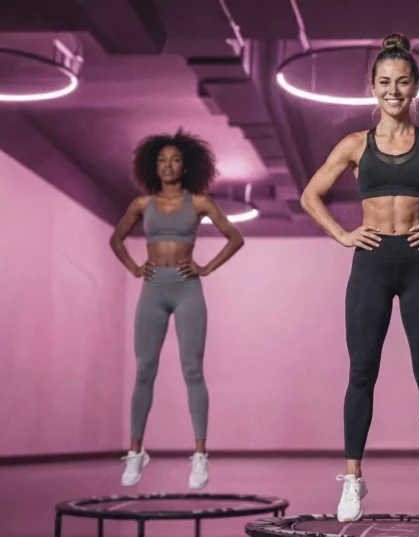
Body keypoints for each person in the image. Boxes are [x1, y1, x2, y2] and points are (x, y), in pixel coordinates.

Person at [300, 33, 419, 523]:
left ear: (415, 89)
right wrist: (343, 235)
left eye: (402, 82)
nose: (393, 90)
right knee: (362, 371)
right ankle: (353, 481)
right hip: (371, 264)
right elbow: (309, 196)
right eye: (384, 81)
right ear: (372, 88)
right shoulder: (352, 145)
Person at [109, 128, 245, 489]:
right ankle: (136, 451)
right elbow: (117, 238)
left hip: (187, 289)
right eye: (162, 160)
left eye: (175, 159)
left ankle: (200, 456)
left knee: (192, 371)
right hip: (153, 289)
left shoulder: (199, 202)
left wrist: (206, 266)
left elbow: (235, 237)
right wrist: (135, 268)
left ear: (185, 167)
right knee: (144, 371)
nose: (168, 165)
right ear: (154, 166)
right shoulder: (142, 204)